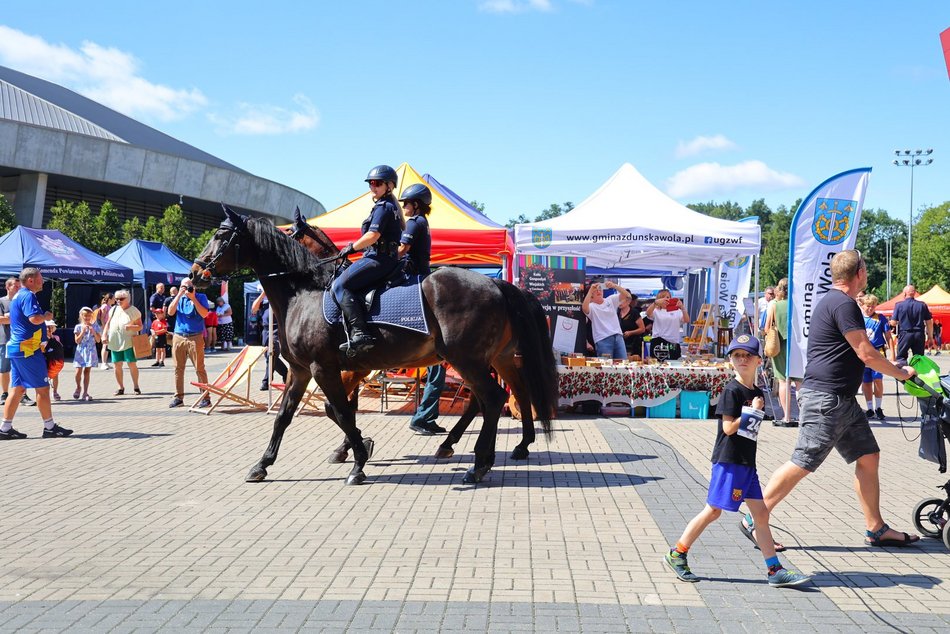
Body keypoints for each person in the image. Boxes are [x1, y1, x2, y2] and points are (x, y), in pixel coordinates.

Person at [740, 250, 921, 550]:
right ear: (860, 273)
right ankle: (753, 518)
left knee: (868, 456)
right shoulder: (844, 303)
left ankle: (875, 528)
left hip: (841, 400)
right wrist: (901, 375)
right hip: (827, 398)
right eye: (865, 268)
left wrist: (894, 367)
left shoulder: (835, 301)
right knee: (803, 461)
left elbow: (859, 352)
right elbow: (865, 352)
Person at [665, 334, 811, 587]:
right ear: (731, 360)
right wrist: (752, 411)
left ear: (758, 360)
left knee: (761, 516)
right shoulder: (732, 390)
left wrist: (755, 410)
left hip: (746, 463)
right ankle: (677, 553)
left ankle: (774, 570)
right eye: (737, 356)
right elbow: (729, 428)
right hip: (729, 461)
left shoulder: (755, 390)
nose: (742, 360)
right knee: (713, 511)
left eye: (747, 356)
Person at [331, 165, 405, 357]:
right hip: (381, 257)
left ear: (389, 185)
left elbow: (373, 235)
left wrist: (351, 247)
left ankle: (360, 333)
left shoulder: (384, 207)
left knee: (340, 285)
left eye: (377, 183)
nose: (373, 186)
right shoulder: (388, 206)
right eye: (371, 183)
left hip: (379, 258)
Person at [0, 267, 71, 440]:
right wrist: (46, 316)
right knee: (43, 388)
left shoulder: (18, 296)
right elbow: (34, 318)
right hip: (28, 350)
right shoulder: (28, 295)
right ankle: (49, 427)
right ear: (31, 280)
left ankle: (5, 428)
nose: (44, 281)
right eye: (40, 278)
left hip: (18, 349)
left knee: (16, 390)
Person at [398, 184, 445, 435]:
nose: (404, 207)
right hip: (419, 277)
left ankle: (424, 416)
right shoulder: (421, 222)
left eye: (407, 203)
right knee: (437, 371)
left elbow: (402, 250)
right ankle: (425, 416)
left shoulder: (415, 223)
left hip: (411, 278)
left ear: (416, 204)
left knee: (436, 371)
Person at [167, 280, 211, 408]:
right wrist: (179, 295)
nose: (186, 289)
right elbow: (170, 312)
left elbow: (204, 313)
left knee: (199, 368)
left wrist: (193, 298)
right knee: (178, 368)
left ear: (194, 287)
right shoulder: (179, 298)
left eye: (189, 286)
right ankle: (178, 397)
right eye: (183, 286)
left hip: (195, 337)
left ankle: (205, 398)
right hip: (178, 336)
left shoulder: (201, 297)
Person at [764, 278, 800, 427]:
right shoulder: (798, 305)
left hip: (779, 346)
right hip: (797, 346)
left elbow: (767, 328)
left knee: (784, 382)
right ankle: (804, 416)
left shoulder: (775, 305)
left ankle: (787, 417)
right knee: (799, 383)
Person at [0, 277, 34, 407]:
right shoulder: (2, 302)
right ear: (7, 287)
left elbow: (30, 318)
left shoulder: (23, 301)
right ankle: (4, 394)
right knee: (4, 369)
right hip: (5, 339)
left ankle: (23, 395)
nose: (18, 288)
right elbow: (1, 320)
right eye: (15, 286)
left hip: (24, 340)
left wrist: (12, 317)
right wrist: (16, 318)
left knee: (22, 369)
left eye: (20, 286)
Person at [860, 294, 893, 422]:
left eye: (873, 306)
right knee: (866, 382)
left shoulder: (880, 318)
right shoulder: (858, 319)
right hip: (863, 354)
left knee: (878, 380)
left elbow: (888, 336)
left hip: (878, 353)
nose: (870, 309)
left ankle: (878, 407)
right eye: (868, 306)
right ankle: (869, 409)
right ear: (862, 306)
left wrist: (893, 354)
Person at [103, 290, 142, 396]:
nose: (118, 301)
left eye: (121, 299)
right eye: (117, 299)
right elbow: (108, 323)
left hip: (129, 341)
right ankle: (120, 387)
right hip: (115, 341)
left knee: (131, 364)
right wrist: (104, 334)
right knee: (117, 365)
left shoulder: (134, 310)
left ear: (127, 299)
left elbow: (140, 326)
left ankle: (136, 386)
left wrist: (130, 327)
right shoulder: (113, 309)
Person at [582, 281, 631, 360]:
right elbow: (584, 308)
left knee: (623, 364)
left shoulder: (610, 299)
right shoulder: (591, 306)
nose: (599, 291)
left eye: (600, 289)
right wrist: (591, 290)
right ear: (591, 295)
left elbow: (627, 295)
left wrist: (615, 286)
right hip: (602, 339)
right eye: (596, 290)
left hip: (618, 336)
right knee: (606, 366)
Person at [251, 291, 288, 391]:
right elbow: (254, 309)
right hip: (266, 330)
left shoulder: (277, 296)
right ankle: (286, 373)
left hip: (277, 329)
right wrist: (263, 294)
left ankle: (266, 381)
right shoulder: (263, 301)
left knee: (272, 354)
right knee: (268, 355)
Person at [889, 284, 933, 364]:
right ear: (914, 293)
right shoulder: (922, 305)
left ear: (904, 293)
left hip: (905, 333)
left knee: (901, 357)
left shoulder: (899, 305)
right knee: (919, 358)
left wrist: (889, 323)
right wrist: (930, 337)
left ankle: (904, 375)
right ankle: (918, 375)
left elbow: (893, 322)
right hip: (919, 334)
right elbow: (929, 322)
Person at [645, 289, 689, 360]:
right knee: (657, 364)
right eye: (663, 297)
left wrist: (682, 307)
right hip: (658, 341)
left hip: (673, 341)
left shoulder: (677, 311)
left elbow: (686, 320)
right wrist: (655, 303)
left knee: (674, 363)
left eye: (668, 297)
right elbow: (648, 313)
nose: (666, 299)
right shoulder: (656, 311)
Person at [73, 306, 100, 401]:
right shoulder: (78, 327)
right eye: (85, 316)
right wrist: (83, 331)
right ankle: (78, 387)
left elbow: (98, 340)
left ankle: (85, 392)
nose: (87, 318)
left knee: (87, 371)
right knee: (78, 371)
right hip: (81, 351)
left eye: (89, 316)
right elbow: (77, 341)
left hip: (91, 350)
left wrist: (94, 332)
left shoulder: (95, 326)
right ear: (81, 316)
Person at [618, 292, 646, 357]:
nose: (620, 302)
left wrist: (630, 332)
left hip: (633, 344)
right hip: (620, 342)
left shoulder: (634, 313)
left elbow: (642, 329)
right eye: (619, 300)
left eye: (622, 300)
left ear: (628, 301)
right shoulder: (616, 312)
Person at [45, 316, 62, 401]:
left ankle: (55, 391)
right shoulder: (41, 338)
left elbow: (59, 348)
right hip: (44, 360)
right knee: (44, 378)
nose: (49, 329)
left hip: (54, 360)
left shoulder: (56, 337)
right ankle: (45, 394)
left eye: (51, 327)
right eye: (47, 327)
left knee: (55, 375)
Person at [97, 293, 116, 370]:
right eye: (114, 298)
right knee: (105, 345)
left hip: (108, 328)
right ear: (110, 299)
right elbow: (102, 318)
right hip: (104, 328)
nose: (115, 300)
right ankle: (103, 363)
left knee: (107, 345)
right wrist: (105, 328)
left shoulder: (109, 307)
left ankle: (105, 362)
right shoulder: (105, 306)